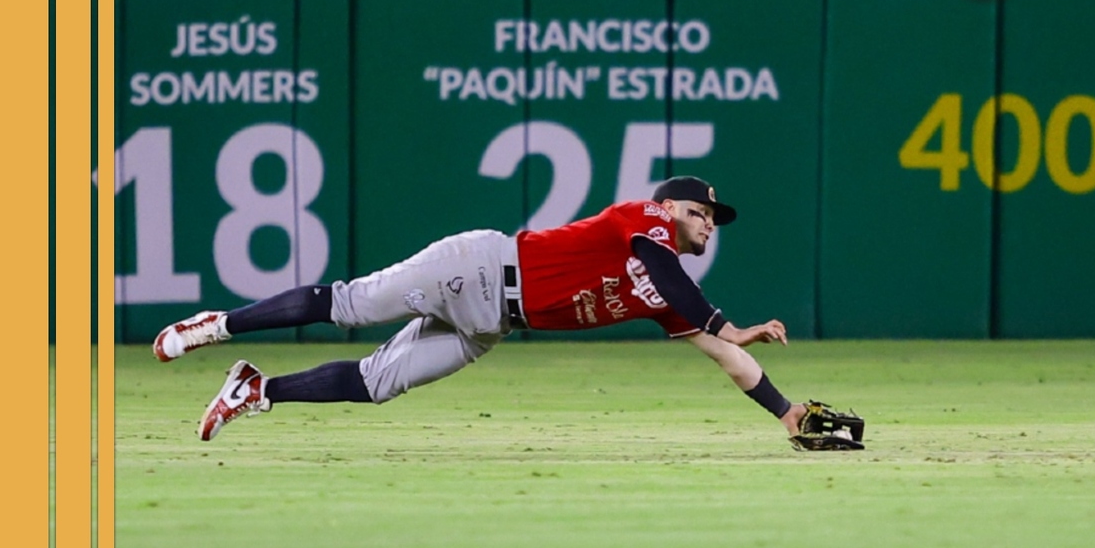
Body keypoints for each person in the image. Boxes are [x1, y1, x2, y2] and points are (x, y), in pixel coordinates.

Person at [155, 176, 822, 449]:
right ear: (670, 207)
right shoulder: (642, 219)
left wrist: (786, 412)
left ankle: (254, 389)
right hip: (475, 267)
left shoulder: (667, 291)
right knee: (350, 305)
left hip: (493, 322)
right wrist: (723, 320)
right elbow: (681, 284)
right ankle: (217, 325)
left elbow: (726, 355)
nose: (708, 222)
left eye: (713, 217)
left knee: (378, 382)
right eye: (699, 211)